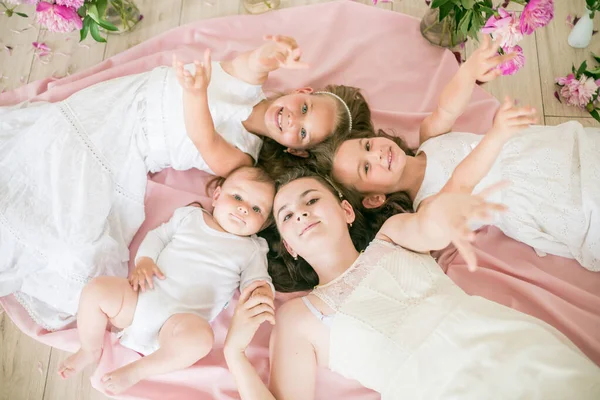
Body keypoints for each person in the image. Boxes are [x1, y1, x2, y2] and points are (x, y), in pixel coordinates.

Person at [0, 35, 371, 330]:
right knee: (42, 151)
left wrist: (196, 94)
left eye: (302, 133)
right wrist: (275, 52)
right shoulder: (245, 85)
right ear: (301, 92)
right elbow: (255, 62)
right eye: (303, 108)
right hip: (119, 102)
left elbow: (204, 137)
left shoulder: (245, 156)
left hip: (129, 145)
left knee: (72, 236)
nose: (292, 120)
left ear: (298, 151)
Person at [222, 168, 600, 400]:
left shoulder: (392, 237)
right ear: (288, 245)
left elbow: (429, 226)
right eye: (287, 215)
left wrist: (447, 212)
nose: (301, 212)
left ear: (347, 210)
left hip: (504, 345)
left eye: (311, 200)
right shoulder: (296, 320)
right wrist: (234, 355)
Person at [312, 35, 600, 271]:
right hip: (531, 196)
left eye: (366, 145)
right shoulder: (429, 204)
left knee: (584, 152)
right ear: (374, 198)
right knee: (588, 203)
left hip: (529, 150)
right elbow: (463, 183)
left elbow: (448, 108)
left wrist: (468, 73)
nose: (376, 154)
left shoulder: (429, 139)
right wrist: (496, 135)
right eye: (366, 168)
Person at [57, 166, 276, 395]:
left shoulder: (251, 249)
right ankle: (90, 348)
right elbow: (158, 236)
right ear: (218, 195)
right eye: (237, 196)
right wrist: (144, 261)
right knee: (96, 290)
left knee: (201, 339)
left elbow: (258, 279)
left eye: (256, 208)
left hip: (178, 325)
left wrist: (261, 291)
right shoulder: (191, 216)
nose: (243, 208)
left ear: (262, 225)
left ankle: (136, 371)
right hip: (141, 298)